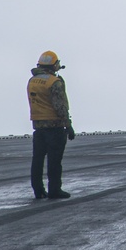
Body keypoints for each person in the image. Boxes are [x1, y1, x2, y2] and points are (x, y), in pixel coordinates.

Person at [28, 50, 75, 199]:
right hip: (54, 127)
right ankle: (54, 189)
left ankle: (38, 189)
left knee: (37, 160)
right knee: (54, 161)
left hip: (38, 126)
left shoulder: (32, 81)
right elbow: (60, 106)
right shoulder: (53, 82)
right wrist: (68, 125)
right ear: (53, 65)